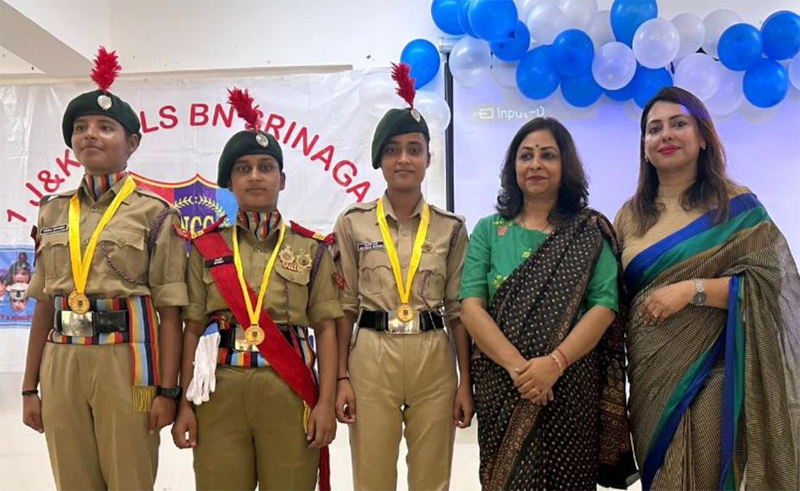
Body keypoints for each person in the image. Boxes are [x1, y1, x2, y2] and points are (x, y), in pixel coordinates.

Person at [615, 86, 800, 490]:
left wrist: (693, 290)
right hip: (649, 381)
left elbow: (776, 286)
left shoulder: (735, 206)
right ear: (644, 147)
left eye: (678, 124)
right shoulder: (630, 215)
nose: (665, 135)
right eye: (654, 128)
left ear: (702, 137)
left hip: (711, 378)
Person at [20, 47, 188, 490]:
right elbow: (42, 303)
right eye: (80, 128)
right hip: (62, 360)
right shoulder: (52, 211)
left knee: (129, 478)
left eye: (105, 127)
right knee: (72, 479)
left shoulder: (155, 214)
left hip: (127, 359)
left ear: (131, 142)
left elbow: (170, 312)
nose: (90, 135)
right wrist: (28, 386)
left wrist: (168, 391)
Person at [171, 87, 340, 491]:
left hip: (288, 389)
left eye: (266, 167)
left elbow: (328, 330)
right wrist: (183, 405)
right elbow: (191, 329)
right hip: (219, 393)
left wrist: (325, 404)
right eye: (243, 169)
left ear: (282, 178)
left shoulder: (310, 248)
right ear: (229, 182)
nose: (255, 176)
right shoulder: (207, 247)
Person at [459, 117, 637, 491]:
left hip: (570, 383)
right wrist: (522, 370)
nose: (535, 164)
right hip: (503, 383)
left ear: (565, 165)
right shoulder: (489, 230)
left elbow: (603, 305)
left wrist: (554, 365)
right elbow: (471, 306)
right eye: (526, 156)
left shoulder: (589, 231)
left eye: (548, 155)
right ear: (513, 167)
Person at [332, 63, 474, 491]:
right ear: (380, 160)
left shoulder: (451, 227)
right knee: (372, 477)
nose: (404, 159)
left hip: (434, 356)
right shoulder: (353, 222)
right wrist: (340, 376)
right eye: (393, 150)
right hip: (371, 354)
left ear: (429, 158)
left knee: (432, 479)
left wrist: (465, 381)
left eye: (415, 149)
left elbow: (459, 312)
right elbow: (343, 308)